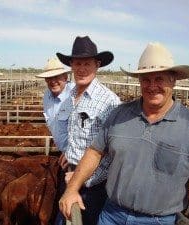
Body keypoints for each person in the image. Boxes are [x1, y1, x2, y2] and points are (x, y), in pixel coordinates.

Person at [59, 42, 189, 225]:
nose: (152, 86)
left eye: (159, 79)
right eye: (146, 79)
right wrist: (72, 189)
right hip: (111, 214)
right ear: (139, 81)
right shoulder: (119, 114)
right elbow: (95, 151)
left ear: (173, 80)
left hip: (158, 220)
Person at [55, 36, 121, 225]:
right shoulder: (70, 97)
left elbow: (111, 150)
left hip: (94, 186)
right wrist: (68, 151)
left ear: (97, 64)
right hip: (69, 175)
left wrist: (82, 179)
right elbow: (73, 131)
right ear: (71, 65)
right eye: (77, 63)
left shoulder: (109, 101)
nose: (82, 68)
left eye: (87, 63)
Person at [36, 57, 74, 156]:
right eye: (49, 78)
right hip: (61, 151)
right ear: (45, 80)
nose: (53, 81)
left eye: (57, 77)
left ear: (65, 77)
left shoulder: (76, 95)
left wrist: (72, 152)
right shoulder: (47, 96)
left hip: (77, 154)